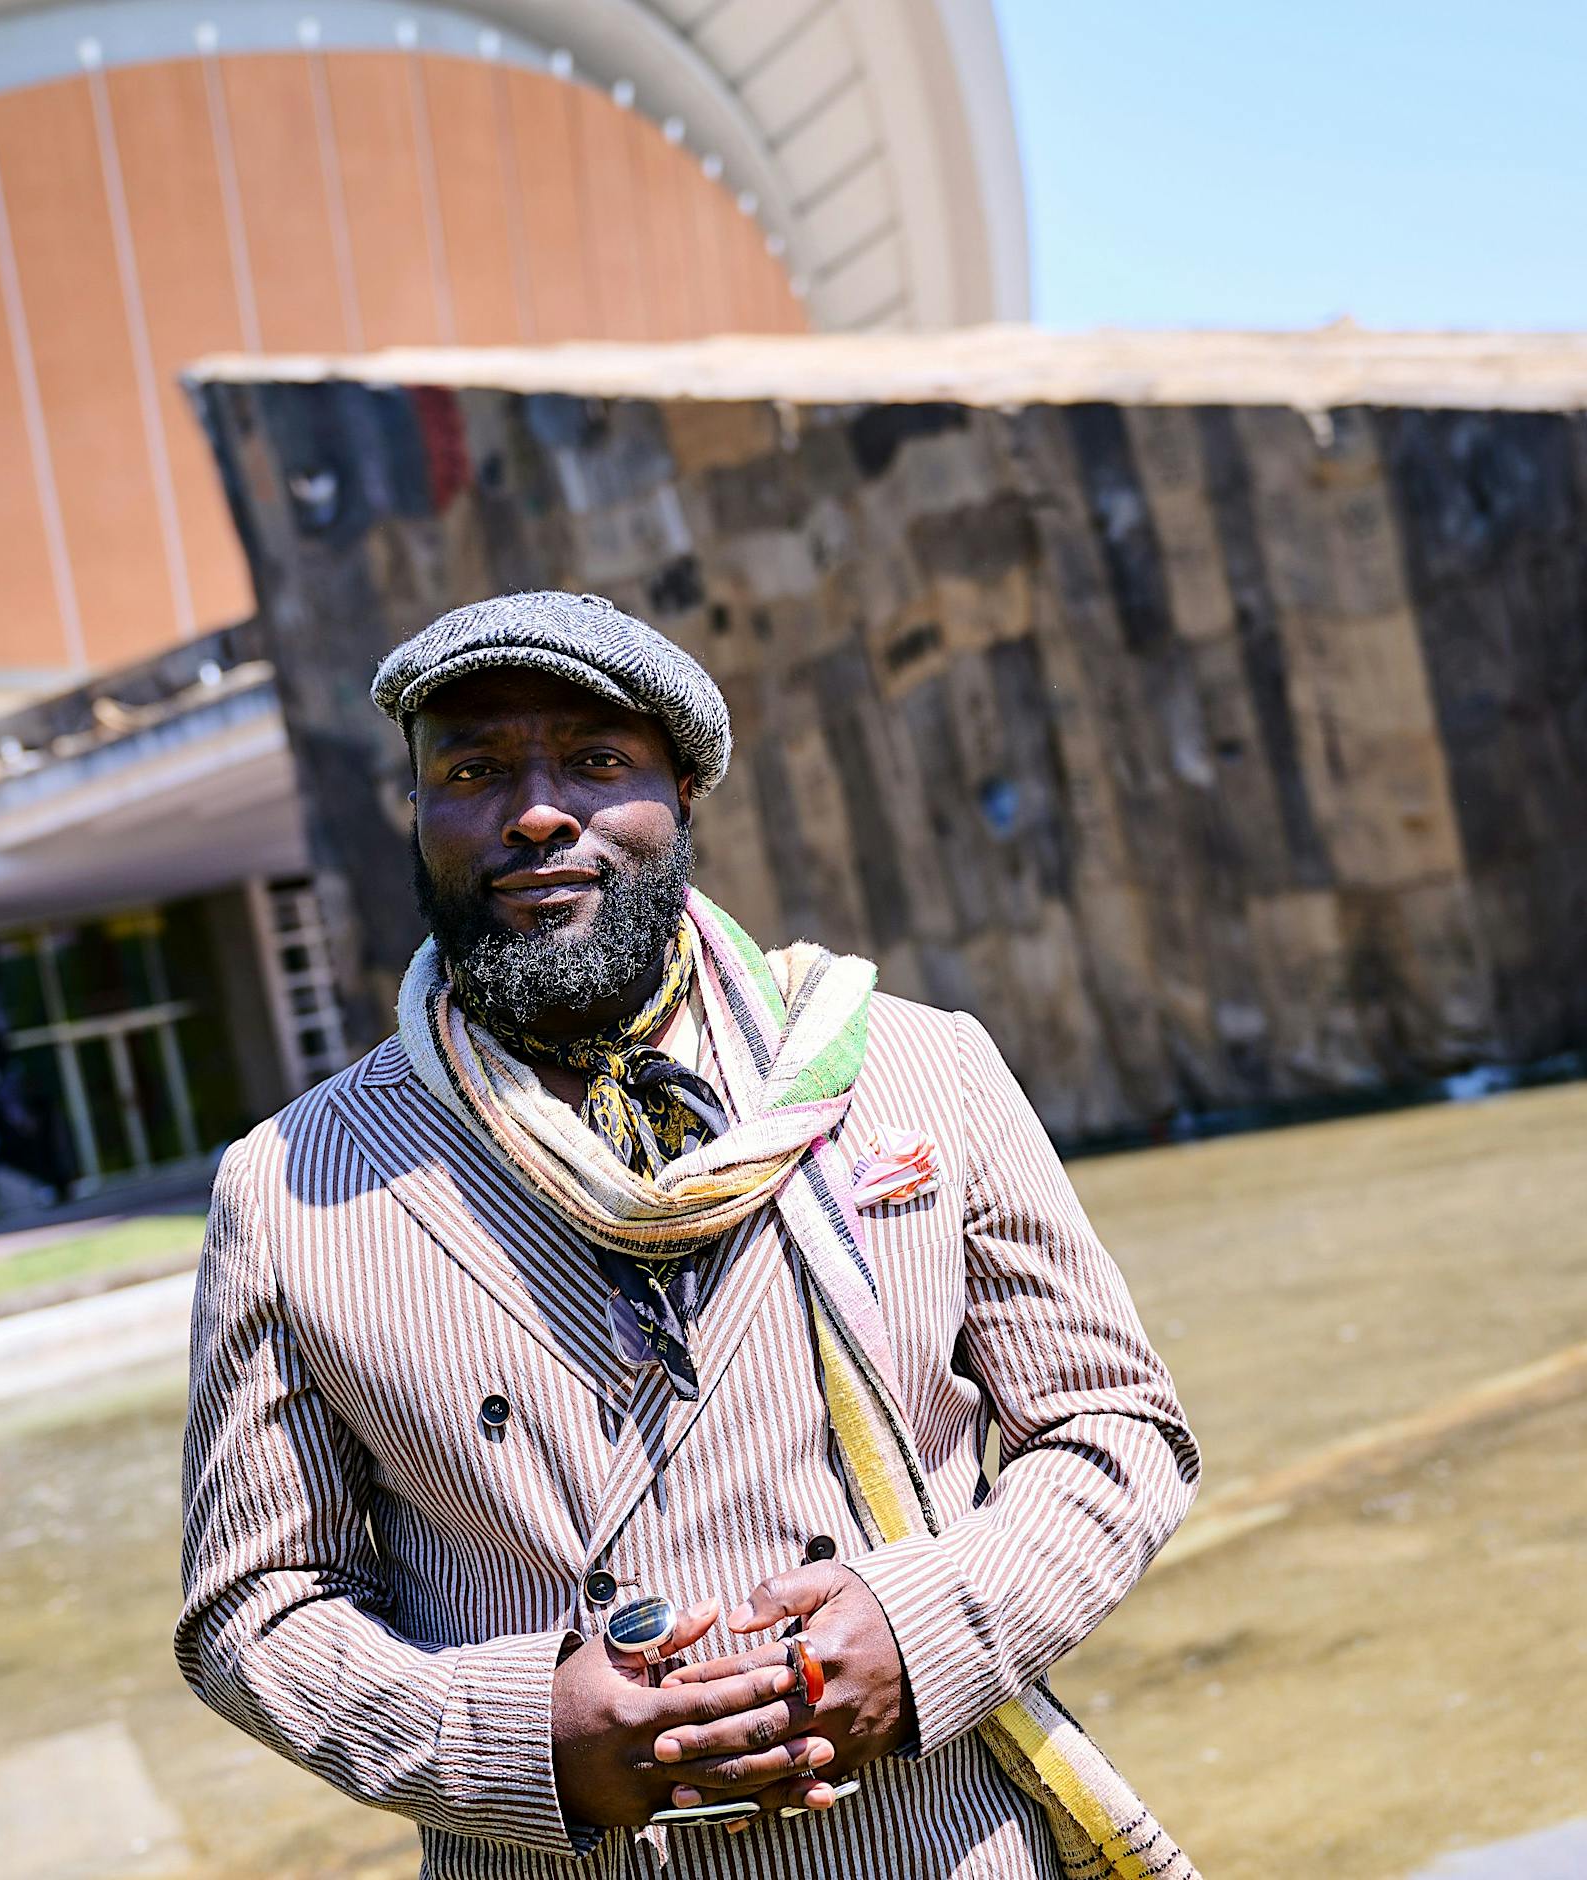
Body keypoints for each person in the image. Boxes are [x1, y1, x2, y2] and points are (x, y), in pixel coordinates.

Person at [176, 593, 1203, 1880]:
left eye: (595, 763)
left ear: (680, 800)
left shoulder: (912, 1069)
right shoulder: (288, 1186)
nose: (534, 811)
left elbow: (1115, 1427)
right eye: (472, 770)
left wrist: (924, 1628)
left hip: (935, 1840)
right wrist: (524, 1741)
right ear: (420, 818)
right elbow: (254, 1611)